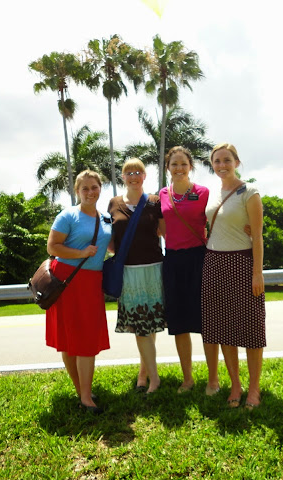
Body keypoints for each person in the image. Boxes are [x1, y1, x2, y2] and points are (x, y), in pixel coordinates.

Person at [201, 143, 266, 410]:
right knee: (223, 328)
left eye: (227, 160)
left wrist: (257, 273)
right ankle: (235, 385)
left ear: (236, 162)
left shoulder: (249, 192)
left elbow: (258, 237)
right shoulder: (211, 194)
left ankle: (254, 389)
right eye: (217, 161)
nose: (222, 165)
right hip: (213, 263)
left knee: (251, 328)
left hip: (242, 262)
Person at [46, 170, 112, 414]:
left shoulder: (106, 219)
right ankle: (84, 395)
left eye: (94, 187)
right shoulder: (68, 215)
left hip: (92, 283)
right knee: (69, 339)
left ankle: (85, 392)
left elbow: (111, 246)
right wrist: (81, 253)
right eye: (85, 188)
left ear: (100, 188)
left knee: (86, 339)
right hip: (67, 280)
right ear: (77, 191)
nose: (90, 192)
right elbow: (52, 247)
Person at [159, 146, 220, 395]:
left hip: (199, 259)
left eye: (183, 164)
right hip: (173, 261)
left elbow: (217, 221)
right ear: (167, 168)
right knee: (179, 323)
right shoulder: (163, 194)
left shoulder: (203, 193)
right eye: (174, 164)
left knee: (207, 321)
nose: (179, 168)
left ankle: (213, 380)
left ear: (190, 166)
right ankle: (187, 379)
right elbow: (162, 228)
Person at [108, 158, 166, 394]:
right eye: (129, 172)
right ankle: (154, 378)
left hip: (154, 270)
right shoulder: (114, 203)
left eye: (138, 172)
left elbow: (165, 232)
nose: (133, 176)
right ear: (123, 177)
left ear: (144, 176)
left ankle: (145, 373)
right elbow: (110, 238)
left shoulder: (154, 202)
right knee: (141, 326)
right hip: (129, 272)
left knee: (148, 326)